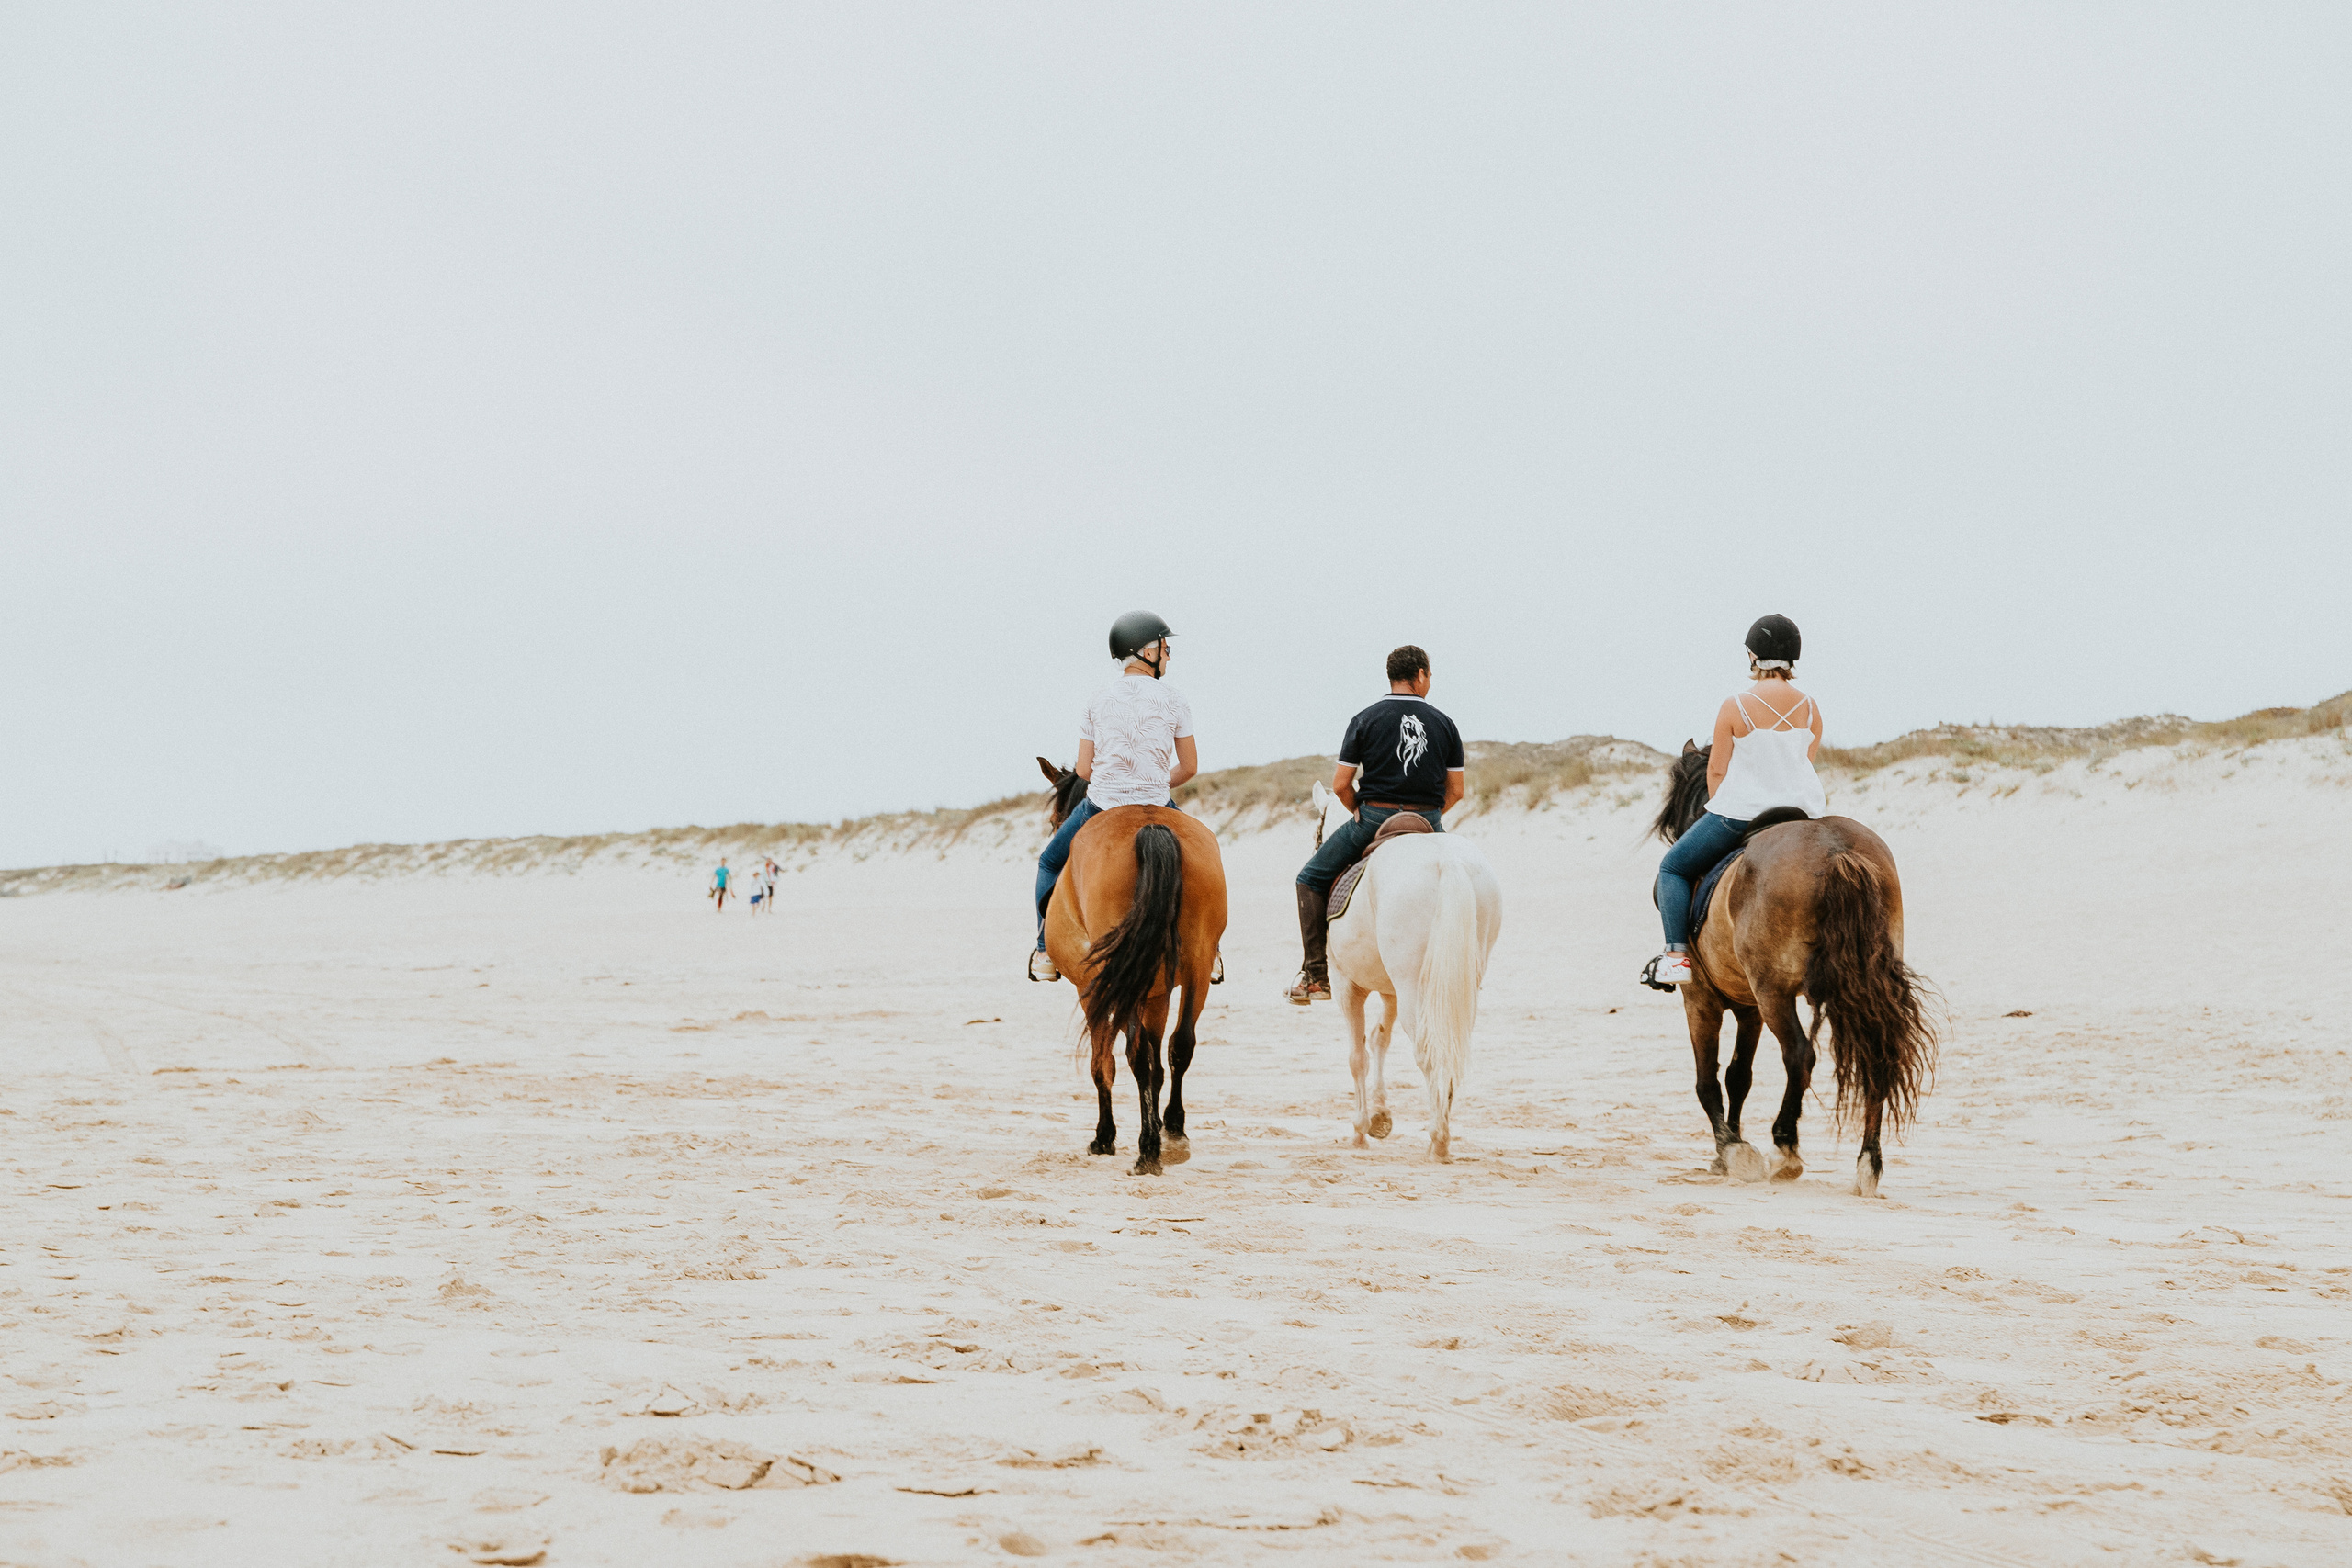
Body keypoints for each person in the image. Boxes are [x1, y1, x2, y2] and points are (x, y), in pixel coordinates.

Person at [1650, 614, 1827, 986]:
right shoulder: (1811, 708)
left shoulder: (1736, 705)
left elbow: (1716, 771)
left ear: (1752, 656)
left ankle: (1676, 957)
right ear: (1793, 658)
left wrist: (1718, 807)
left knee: (1672, 868)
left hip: (1742, 814)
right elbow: (1803, 762)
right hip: (1801, 815)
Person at [1287, 644, 1464, 1004]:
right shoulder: (1445, 723)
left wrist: (1359, 811)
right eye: (1429, 676)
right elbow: (1457, 791)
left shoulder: (1365, 719)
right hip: (1428, 821)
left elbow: (1339, 785)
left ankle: (1315, 975)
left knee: (1309, 878)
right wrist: (1426, 817)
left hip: (1374, 818)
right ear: (1419, 675)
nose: (1429, 683)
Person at [1030, 611, 1197, 981]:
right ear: (1147, 651)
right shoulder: (1175, 699)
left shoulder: (1097, 698)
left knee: (1048, 863)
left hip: (1101, 804)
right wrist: (1150, 781)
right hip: (1157, 801)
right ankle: (1212, 950)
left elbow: (1086, 772)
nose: (1169, 655)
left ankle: (1044, 951)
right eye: (1166, 647)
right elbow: (1188, 768)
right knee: (1203, 854)